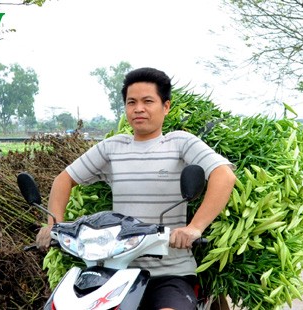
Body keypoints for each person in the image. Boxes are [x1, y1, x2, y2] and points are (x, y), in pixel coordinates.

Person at [36, 67, 236, 310]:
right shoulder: (112, 148)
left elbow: (223, 175)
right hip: (114, 272)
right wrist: (53, 224)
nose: (138, 108)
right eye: (132, 102)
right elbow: (63, 179)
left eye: (148, 101)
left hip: (170, 273)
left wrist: (194, 228)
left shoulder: (180, 143)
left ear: (166, 107)